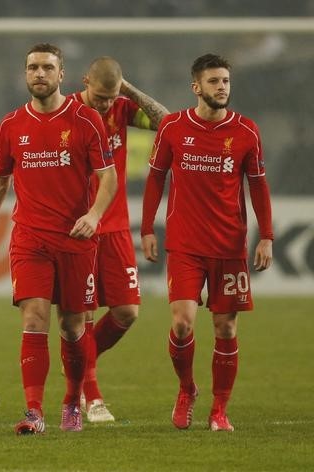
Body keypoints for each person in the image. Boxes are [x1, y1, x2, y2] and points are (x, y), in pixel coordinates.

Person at [0, 43, 117, 434]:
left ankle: (72, 401)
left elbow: (109, 177)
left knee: (72, 328)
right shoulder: (12, 125)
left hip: (75, 240)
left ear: (61, 74)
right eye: (32, 67)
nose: (39, 73)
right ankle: (34, 412)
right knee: (34, 317)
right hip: (30, 239)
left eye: (47, 68)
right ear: (25, 75)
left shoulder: (86, 119)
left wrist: (93, 215)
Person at [141, 53, 273, 432]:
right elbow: (155, 178)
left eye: (226, 81)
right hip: (184, 243)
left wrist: (266, 236)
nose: (222, 88)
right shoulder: (172, 127)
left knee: (226, 328)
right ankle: (187, 390)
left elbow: (258, 186)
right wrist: (148, 228)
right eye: (214, 81)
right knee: (182, 324)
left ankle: (219, 410)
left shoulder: (246, 131)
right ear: (196, 87)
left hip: (230, 246)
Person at [68, 56, 169, 422]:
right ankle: (92, 397)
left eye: (111, 97)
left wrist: (127, 89)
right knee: (84, 313)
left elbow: (167, 123)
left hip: (114, 226)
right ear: (85, 83)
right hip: (79, 226)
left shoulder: (123, 109)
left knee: (127, 312)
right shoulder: (67, 112)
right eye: (99, 96)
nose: (105, 104)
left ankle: (76, 364)